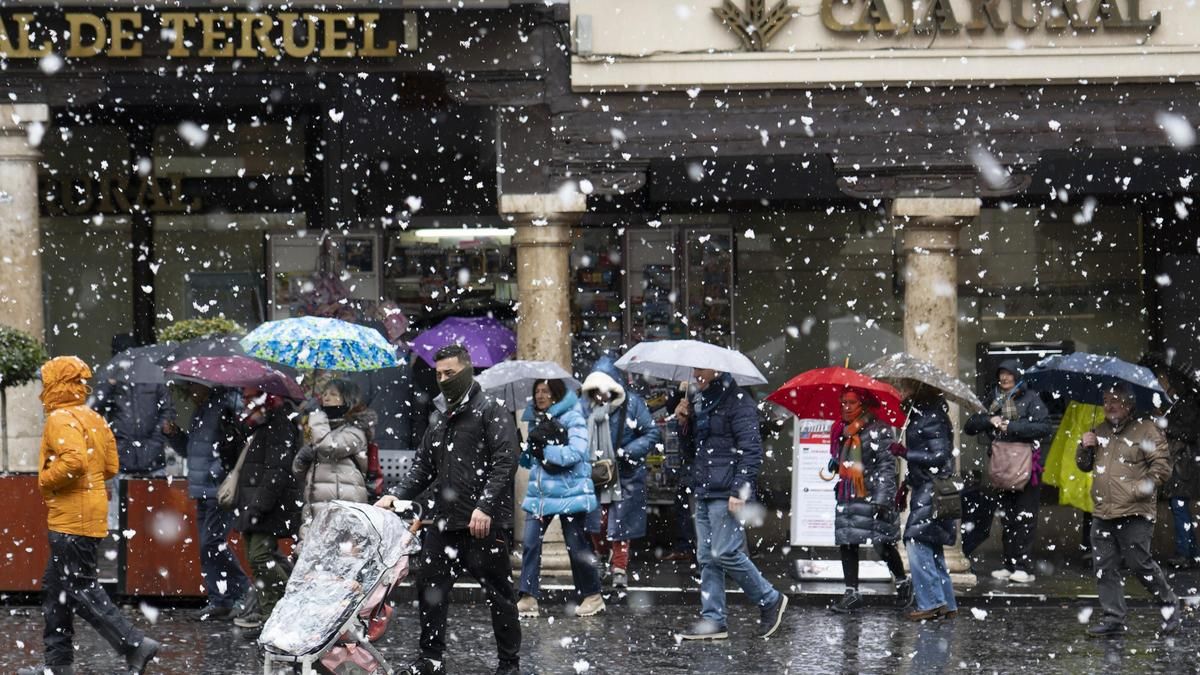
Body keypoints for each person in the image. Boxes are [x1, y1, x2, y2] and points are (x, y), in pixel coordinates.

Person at [376, 344, 521, 675]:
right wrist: (395, 495)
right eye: (439, 374)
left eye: (450, 373)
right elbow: (422, 469)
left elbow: (505, 462)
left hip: (482, 526)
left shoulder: (491, 410)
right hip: (443, 525)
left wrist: (484, 507)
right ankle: (431, 659)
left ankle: (509, 665)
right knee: (429, 590)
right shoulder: (440, 418)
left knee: (500, 597)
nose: (443, 380)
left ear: (467, 371)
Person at [17, 356, 159, 675]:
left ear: (55, 385)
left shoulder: (59, 419)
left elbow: (74, 463)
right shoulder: (93, 417)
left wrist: (45, 478)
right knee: (56, 590)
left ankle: (134, 644)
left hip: (71, 518)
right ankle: (58, 664)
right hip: (89, 514)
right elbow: (109, 467)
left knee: (79, 587)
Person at [675, 368, 788, 641]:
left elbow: (751, 450)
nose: (695, 374)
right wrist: (684, 424)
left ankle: (770, 598)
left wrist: (739, 489)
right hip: (704, 489)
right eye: (694, 370)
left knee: (725, 552)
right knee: (706, 557)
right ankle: (713, 620)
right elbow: (694, 452)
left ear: (716, 370)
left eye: (701, 369)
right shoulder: (700, 402)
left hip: (726, 492)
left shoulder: (738, 401)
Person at [1076, 384, 1181, 637]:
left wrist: (1138, 489)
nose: (1109, 405)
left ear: (1129, 405)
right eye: (1105, 400)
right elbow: (1084, 466)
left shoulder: (1146, 430)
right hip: (1102, 513)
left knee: (1140, 566)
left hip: (1134, 512)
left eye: (1115, 400)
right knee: (1104, 568)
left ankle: (1170, 607)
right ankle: (1114, 619)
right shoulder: (1099, 430)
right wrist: (1084, 445)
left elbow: (1162, 468)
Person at [516, 378, 604, 618]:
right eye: (537, 391)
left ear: (556, 394)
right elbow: (535, 461)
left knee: (576, 546)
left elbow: (576, 453)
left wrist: (545, 450)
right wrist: (526, 450)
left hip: (569, 492)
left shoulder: (572, 417)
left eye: (545, 391)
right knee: (531, 543)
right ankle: (528, 596)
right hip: (540, 494)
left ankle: (593, 595)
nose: (540, 396)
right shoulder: (536, 420)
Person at [163, 382, 251, 621]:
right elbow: (192, 450)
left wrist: (218, 471)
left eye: (194, 387)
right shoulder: (201, 411)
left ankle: (245, 592)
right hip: (202, 488)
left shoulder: (226, 406)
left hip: (218, 488)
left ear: (207, 386)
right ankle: (220, 599)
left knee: (212, 543)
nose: (191, 393)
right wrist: (174, 435)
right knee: (207, 545)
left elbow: (234, 446)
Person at [962, 359, 1053, 583]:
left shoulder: (1031, 398)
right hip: (1002, 464)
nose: (1004, 378)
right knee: (1007, 517)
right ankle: (1009, 564)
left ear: (1017, 375)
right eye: (1001, 373)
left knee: (1025, 515)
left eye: (1009, 374)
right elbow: (970, 426)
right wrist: (988, 419)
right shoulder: (992, 398)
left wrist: (1011, 426)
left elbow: (1044, 427)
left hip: (1025, 465)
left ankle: (1023, 566)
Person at [827, 388, 909, 613]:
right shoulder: (841, 430)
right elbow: (841, 458)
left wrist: (883, 498)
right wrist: (836, 462)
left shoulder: (879, 429)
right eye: (843, 402)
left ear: (862, 405)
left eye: (851, 402)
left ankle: (902, 582)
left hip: (872, 493)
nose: (846, 406)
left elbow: (886, 466)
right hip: (848, 493)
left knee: (883, 544)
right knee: (847, 541)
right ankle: (851, 593)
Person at [582, 358, 662, 589]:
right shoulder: (585, 406)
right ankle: (602, 555)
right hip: (596, 472)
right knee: (596, 520)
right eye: (595, 391)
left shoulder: (633, 404)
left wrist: (626, 452)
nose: (599, 396)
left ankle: (619, 566)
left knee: (621, 521)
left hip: (625, 473)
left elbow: (651, 433)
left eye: (603, 390)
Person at [230, 386, 303, 635]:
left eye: (250, 397)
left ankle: (284, 608)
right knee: (259, 558)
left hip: (268, 505)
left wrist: (259, 506)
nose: (245, 402)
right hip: (256, 502)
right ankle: (271, 613)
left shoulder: (279, 424)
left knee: (260, 557)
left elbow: (277, 471)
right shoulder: (259, 424)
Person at [896, 382, 958, 621]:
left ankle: (931, 602)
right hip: (925, 486)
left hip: (932, 488)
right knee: (931, 545)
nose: (900, 393)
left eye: (904, 389)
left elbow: (939, 455)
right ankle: (946, 602)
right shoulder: (919, 415)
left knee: (915, 539)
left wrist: (905, 453)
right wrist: (907, 482)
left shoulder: (931, 416)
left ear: (917, 390)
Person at [293, 379, 376, 540]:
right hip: (316, 507)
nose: (326, 398)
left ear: (347, 399)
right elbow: (299, 472)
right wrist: (302, 458)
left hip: (344, 507)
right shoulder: (318, 429)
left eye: (333, 394)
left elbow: (329, 447)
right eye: (324, 393)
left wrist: (317, 416)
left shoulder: (355, 431)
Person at [1140, 354, 1200, 568]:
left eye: (1164, 378)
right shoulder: (1177, 402)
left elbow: (1189, 432)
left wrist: (1164, 425)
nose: (1162, 382)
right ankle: (1191, 553)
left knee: (1179, 506)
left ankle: (1185, 553)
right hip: (1178, 463)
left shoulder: (1188, 403)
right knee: (1179, 507)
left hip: (1184, 464)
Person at [92, 375, 175, 477]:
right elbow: (92, 412)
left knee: (155, 491)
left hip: (154, 461)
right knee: (122, 491)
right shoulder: (114, 383)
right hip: (121, 462)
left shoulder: (155, 381)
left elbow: (168, 412)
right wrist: (108, 385)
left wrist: (156, 440)